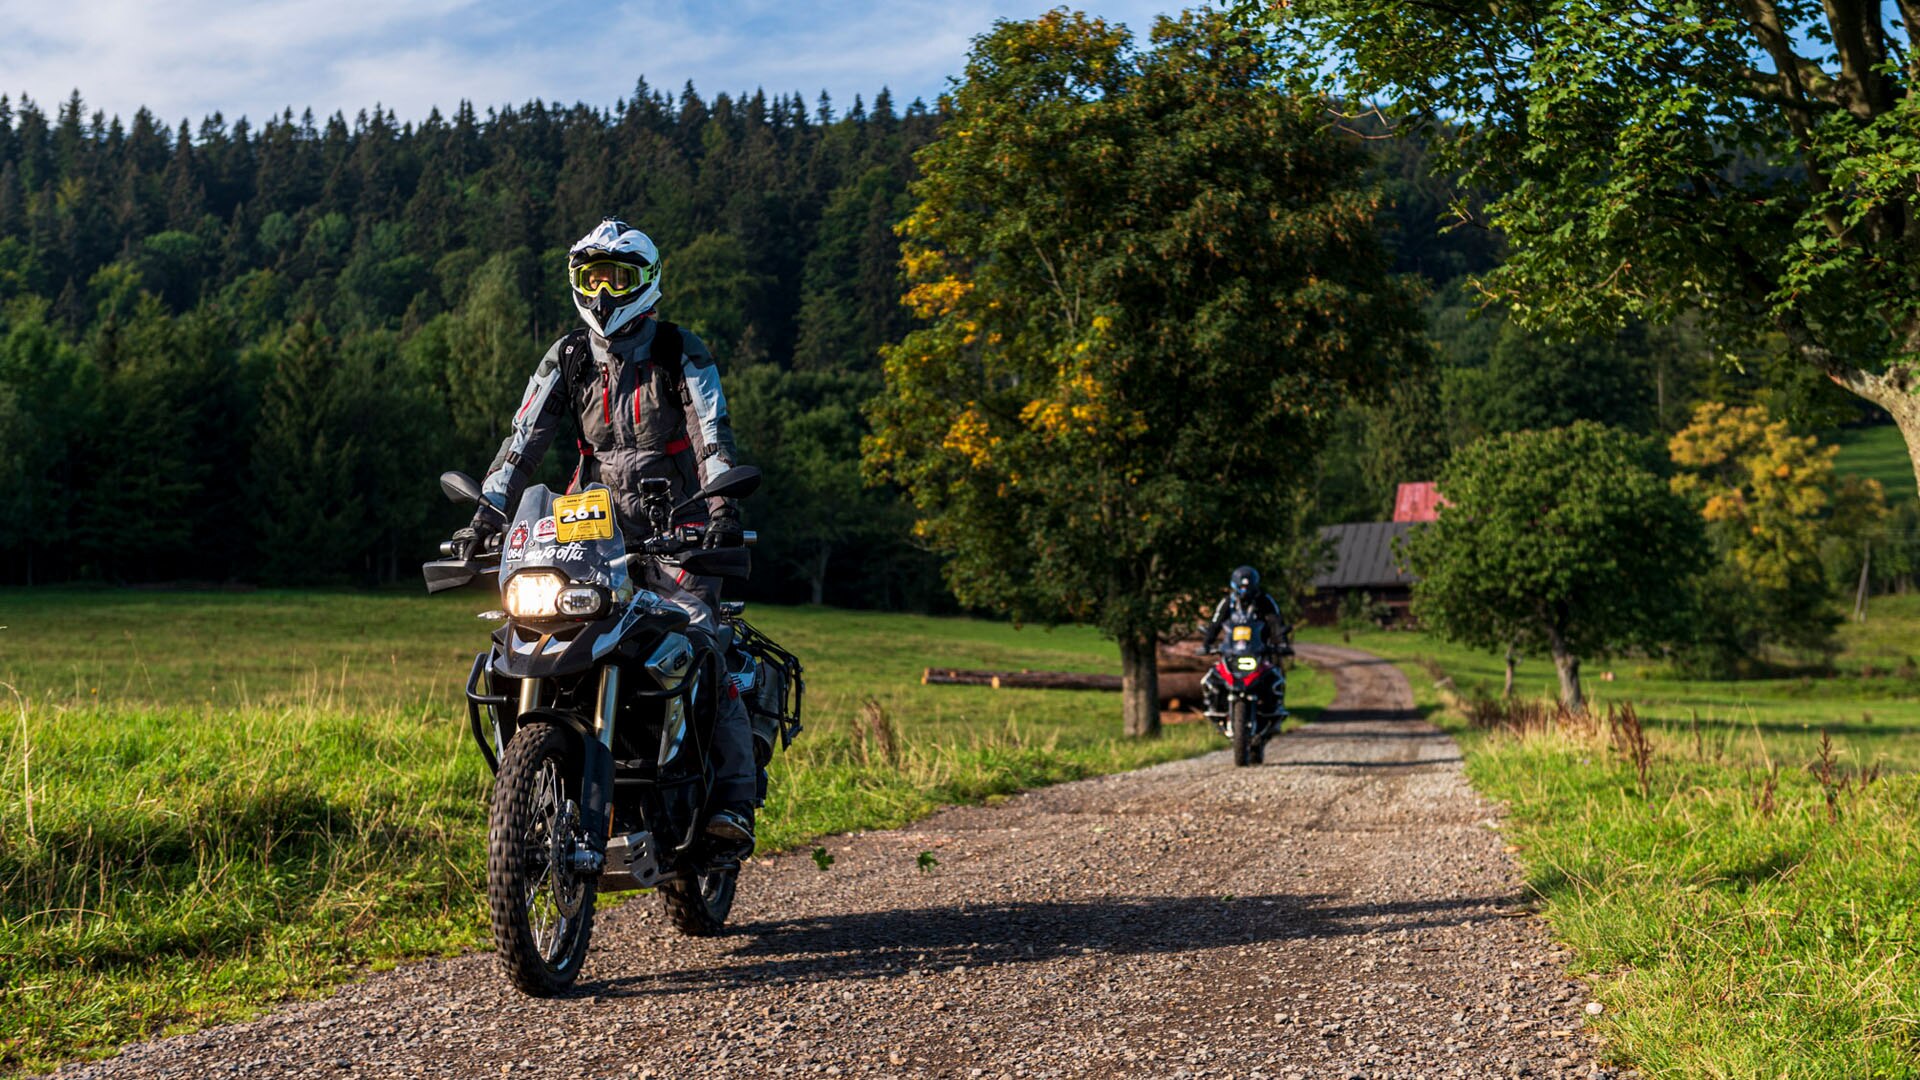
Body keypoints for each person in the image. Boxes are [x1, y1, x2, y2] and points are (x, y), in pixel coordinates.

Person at [460, 218, 758, 849]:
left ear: (645, 282)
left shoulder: (680, 351)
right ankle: (541, 784)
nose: (601, 291)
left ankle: (731, 800)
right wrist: (488, 513)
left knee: (704, 643)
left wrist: (724, 508)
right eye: (590, 276)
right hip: (589, 531)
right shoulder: (568, 356)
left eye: (615, 277)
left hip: (682, 526)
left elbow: (713, 434)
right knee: (531, 636)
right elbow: (522, 443)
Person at [1199, 565, 1293, 717]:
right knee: (1213, 677)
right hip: (1232, 650)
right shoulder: (1228, 602)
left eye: (1247, 586)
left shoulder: (1265, 600)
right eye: (1241, 586)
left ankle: (1273, 708)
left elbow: (1276, 622)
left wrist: (1282, 643)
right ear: (1235, 585)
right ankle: (1215, 706)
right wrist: (1206, 643)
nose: (1245, 590)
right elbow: (1215, 624)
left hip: (1258, 649)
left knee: (1273, 677)